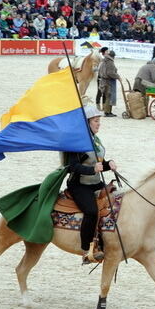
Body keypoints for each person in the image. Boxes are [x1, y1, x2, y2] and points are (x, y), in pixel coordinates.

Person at [63, 105, 116, 264]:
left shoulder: (95, 139)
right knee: (91, 211)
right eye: (95, 120)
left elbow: (97, 162)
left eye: (99, 120)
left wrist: (108, 165)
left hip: (95, 183)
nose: (98, 123)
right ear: (86, 123)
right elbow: (73, 167)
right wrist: (93, 169)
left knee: (115, 201)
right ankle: (86, 250)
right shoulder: (77, 142)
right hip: (79, 185)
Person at [98, 50, 119, 117]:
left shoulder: (104, 61)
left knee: (108, 96)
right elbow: (110, 73)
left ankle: (109, 111)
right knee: (109, 97)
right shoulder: (110, 62)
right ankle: (107, 112)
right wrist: (118, 77)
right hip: (108, 82)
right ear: (113, 56)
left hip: (104, 81)